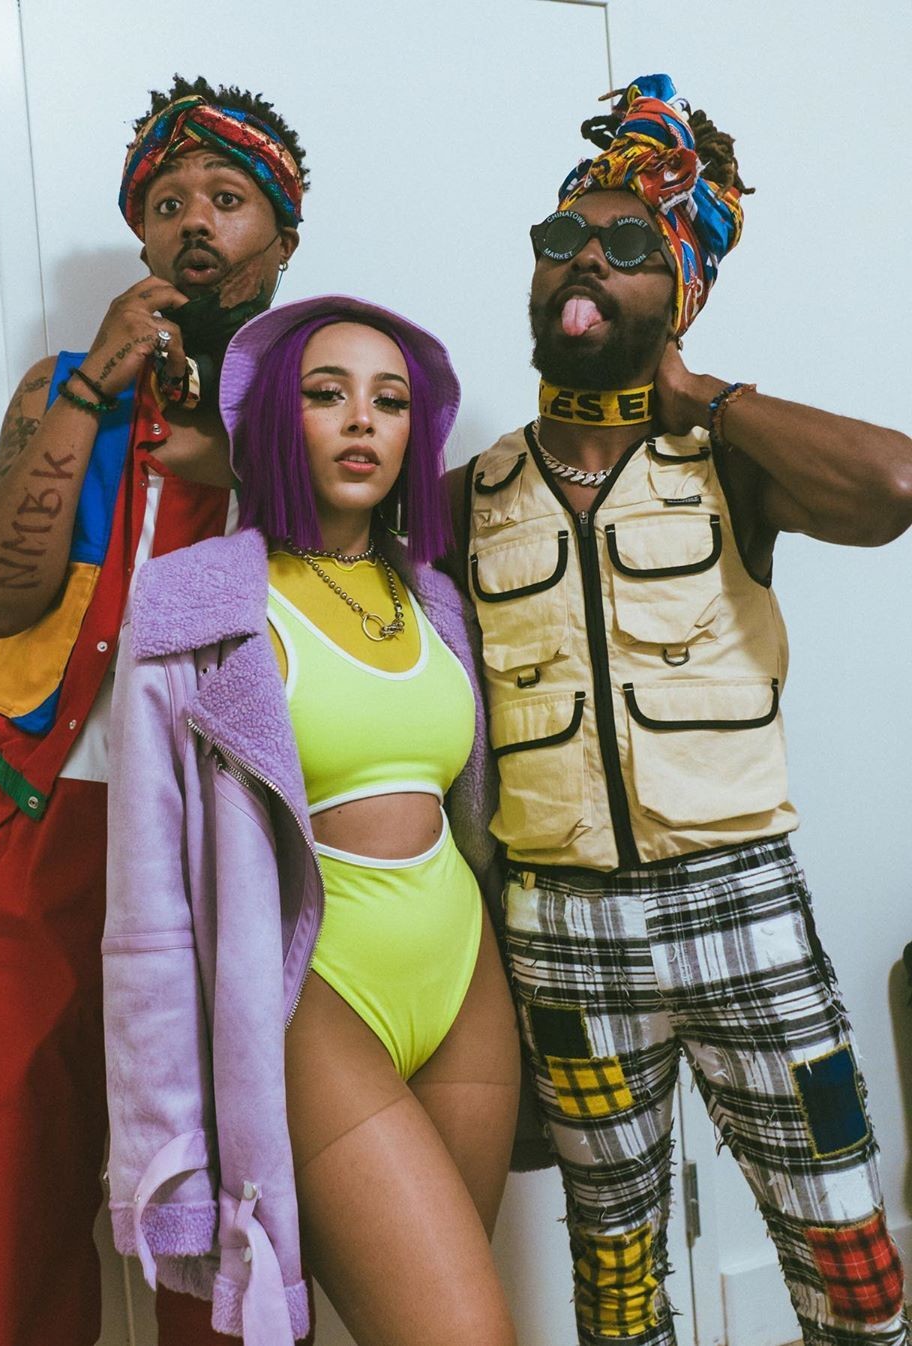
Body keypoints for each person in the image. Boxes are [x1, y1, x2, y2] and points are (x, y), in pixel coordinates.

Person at [446, 75, 912, 1346]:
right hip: (561, 934)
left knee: (850, 1257)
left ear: (681, 291)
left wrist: (706, 397)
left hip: (743, 908)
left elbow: (893, 485)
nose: (585, 258)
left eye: (629, 244)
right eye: (563, 236)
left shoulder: (732, 465)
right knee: (615, 1282)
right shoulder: (468, 493)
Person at [0, 75, 308, 1346]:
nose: (195, 219)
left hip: (224, 842)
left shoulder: (321, 395)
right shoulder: (65, 388)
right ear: (140, 233)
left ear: (282, 238)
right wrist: (95, 382)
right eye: (168, 200)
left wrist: (243, 445)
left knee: (225, 1193)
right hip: (45, 816)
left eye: (228, 197)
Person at [103, 296, 535, 1346]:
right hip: (313, 991)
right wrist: (168, 1156)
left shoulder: (435, 600)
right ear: (272, 420)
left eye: (391, 401)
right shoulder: (192, 605)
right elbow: (146, 909)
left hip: (462, 982)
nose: (362, 420)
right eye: (327, 393)